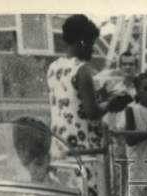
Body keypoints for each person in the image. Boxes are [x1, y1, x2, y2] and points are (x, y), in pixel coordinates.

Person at [47, 15, 132, 158]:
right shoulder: (82, 69)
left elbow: (71, 102)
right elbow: (92, 112)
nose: (92, 50)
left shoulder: (53, 67)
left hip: (60, 145)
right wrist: (111, 104)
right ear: (81, 42)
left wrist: (99, 96)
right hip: (84, 147)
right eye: (91, 44)